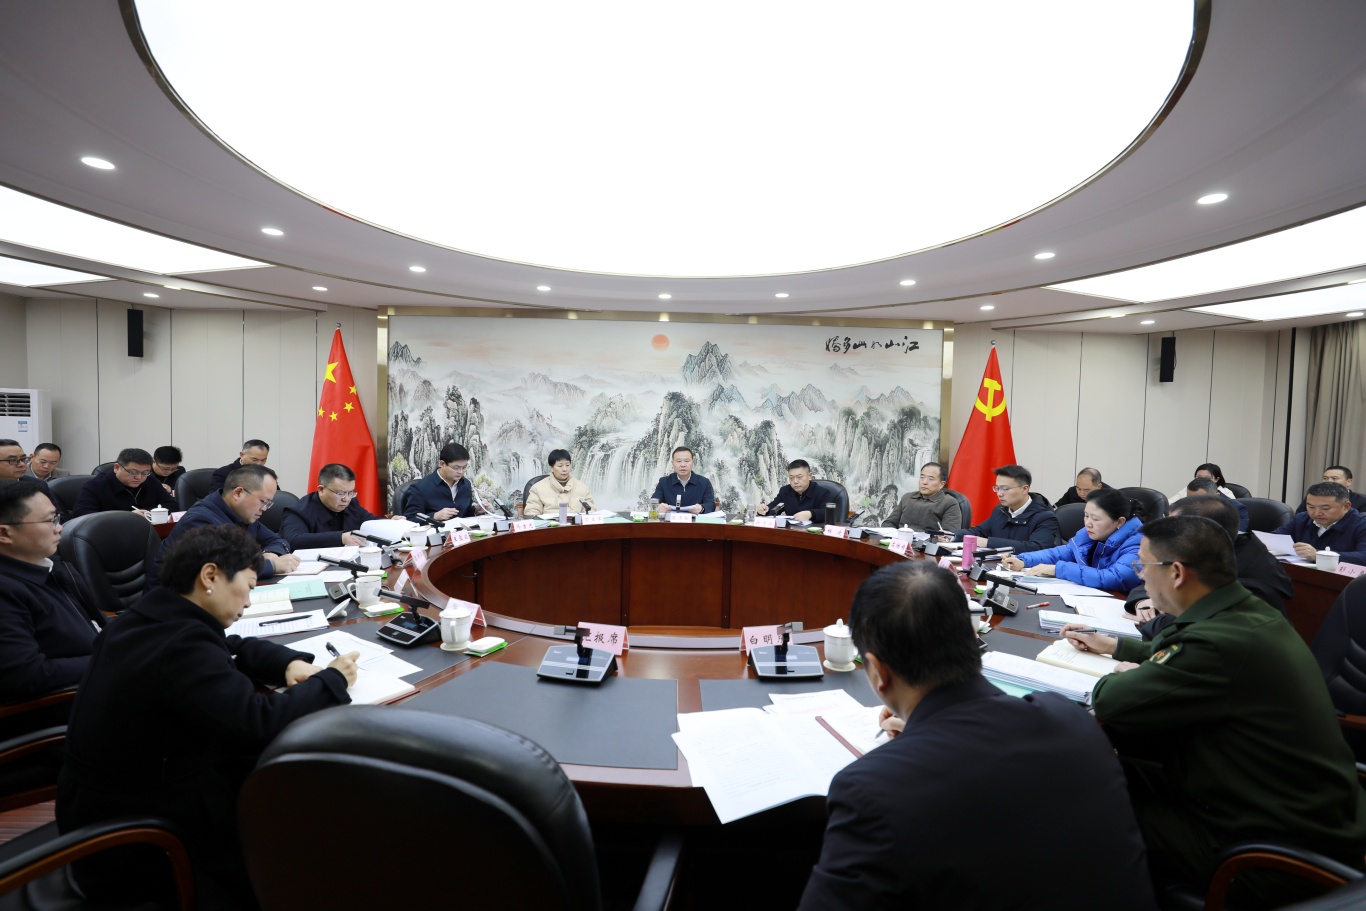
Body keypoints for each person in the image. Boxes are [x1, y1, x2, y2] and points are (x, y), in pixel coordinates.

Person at [796, 561, 1154, 911]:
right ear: (972, 636)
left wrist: (923, 743)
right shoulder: (1070, 719)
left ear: (876, 671)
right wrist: (926, 731)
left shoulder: (873, 789)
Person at [1062, 516, 1366, 907]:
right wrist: (1118, 648)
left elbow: (1109, 700)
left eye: (1143, 565)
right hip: (1293, 808)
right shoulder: (1246, 613)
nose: (1140, 575)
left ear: (1176, 573)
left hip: (1264, 848)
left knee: (1078, 807)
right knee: (1101, 770)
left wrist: (1127, 673)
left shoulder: (1216, 644)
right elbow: (1185, 653)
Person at [57, 525, 358, 910]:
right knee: (295, 799)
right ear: (210, 576)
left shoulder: (149, 616)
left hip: (100, 801)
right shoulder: (182, 643)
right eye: (248, 587)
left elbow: (229, 647)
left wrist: (286, 663)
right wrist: (332, 681)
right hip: (139, 834)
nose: (248, 601)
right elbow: (256, 724)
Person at [0, 480, 103, 723]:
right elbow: (25, 676)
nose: (60, 528)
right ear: (4, 533)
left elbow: (94, 623)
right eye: (50, 521)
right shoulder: (6, 590)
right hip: (66, 711)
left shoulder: (52, 567)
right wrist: (110, 658)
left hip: (99, 685)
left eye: (57, 518)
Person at [1126, 494, 1293, 635]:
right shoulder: (1209, 554)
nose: (1166, 536)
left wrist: (1152, 620)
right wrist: (1142, 601)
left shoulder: (1249, 582)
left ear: (1203, 532)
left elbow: (1187, 627)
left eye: (1173, 529)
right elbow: (1147, 580)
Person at [151, 464, 299, 586]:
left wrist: (270, 554)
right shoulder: (200, 521)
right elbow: (221, 571)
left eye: (268, 504)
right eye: (263, 501)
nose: (265, 509)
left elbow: (278, 540)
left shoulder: (244, 515)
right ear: (238, 493)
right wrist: (272, 565)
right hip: (174, 602)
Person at [1002, 488, 1144, 592]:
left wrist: (1059, 569)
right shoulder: (1091, 535)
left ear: (1119, 521)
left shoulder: (1138, 544)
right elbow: (1060, 553)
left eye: (1095, 519)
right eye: (1086, 516)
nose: (1088, 523)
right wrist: (1023, 560)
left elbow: (1115, 577)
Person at [951, 464, 1059, 553]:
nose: (999, 494)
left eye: (1005, 489)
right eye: (997, 488)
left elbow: (1036, 548)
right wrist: (950, 535)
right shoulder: (1000, 510)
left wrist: (988, 543)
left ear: (1024, 489)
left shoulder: (1045, 517)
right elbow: (978, 531)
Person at [279, 463, 378, 548]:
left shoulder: (352, 503)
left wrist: (386, 523)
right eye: (341, 493)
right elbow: (294, 540)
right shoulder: (298, 511)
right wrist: (341, 538)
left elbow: (371, 521)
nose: (346, 499)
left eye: (350, 493)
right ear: (321, 490)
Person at [1273, 481, 1366, 566]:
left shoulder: (1361, 524)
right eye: (1311, 507)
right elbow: (1274, 539)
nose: (1317, 513)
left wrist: (1318, 555)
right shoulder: (1302, 518)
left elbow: (1363, 556)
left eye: (1325, 508)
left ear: (1346, 506)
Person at [70, 447, 178, 518]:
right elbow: (81, 515)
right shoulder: (95, 486)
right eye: (133, 472)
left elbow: (172, 505)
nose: (139, 477)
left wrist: (146, 512)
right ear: (117, 468)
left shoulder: (151, 481)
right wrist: (127, 516)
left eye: (145, 472)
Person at [401, 442, 490, 522]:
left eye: (464, 467)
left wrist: (476, 510)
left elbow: (464, 514)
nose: (461, 472)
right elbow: (410, 519)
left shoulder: (465, 484)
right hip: (437, 534)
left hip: (462, 533)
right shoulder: (420, 488)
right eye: (456, 468)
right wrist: (435, 516)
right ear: (442, 464)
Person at [885, 461, 961, 532]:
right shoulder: (907, 498)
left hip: (929, 541)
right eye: (922, 477)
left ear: (941, 484)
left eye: (931, 479)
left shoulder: (949, 503)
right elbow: (889, 523)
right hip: (901, 539)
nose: (924, 482)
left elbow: (949, 533)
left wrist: (942, 537)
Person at [524, 449, 595, 517]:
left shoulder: (582, 488)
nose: (564, 469)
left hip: (576, 525)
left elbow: (591, 512)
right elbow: (531, 514)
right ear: (551, 468)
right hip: (550, 525)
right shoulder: (538, 488)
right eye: (560, 466)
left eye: (567, 465)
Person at [757, 459, 829, 523]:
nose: (795, 481)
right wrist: (764, 510)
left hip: (813, 532)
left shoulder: (822, 493)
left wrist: (811, 514)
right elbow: (774, 508)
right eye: (791, 478)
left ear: (809, 476)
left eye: (799, 477)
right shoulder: (785, 491)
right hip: (791, 531)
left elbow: (828, 513)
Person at [651, 446, 715, 514]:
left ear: (693, 463)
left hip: (695, 520)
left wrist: (702, 509)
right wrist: (658, 507)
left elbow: (710, 504)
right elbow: (653, 502)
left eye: (687, 461)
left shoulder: (704, 482)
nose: (683, 465)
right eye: (679, 461)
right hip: (670, 520)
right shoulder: (664, 482)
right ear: (672, 463)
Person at [1183, 476, 1249, 533]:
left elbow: (1237, 537)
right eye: (1190, 499)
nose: (1194, 503)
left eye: (1200, 499)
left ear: (1216, 497)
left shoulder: (1237, 509)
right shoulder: (1185, 506)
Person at [1296, 466, 1366, 514]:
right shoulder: (1313, 497)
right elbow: (1299, 517)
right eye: (1325, 478)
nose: (1329, 481)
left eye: (1334, 478)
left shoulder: (1362, 501)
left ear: (1349, 482)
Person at [1168, 461, 1235, 504]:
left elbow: (1232, 509)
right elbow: (1170, 502)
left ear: (1216, 479)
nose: (1202, 480)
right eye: (1199, 477)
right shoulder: (1190, 489)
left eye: (1207, 478)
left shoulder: (1226, 493)